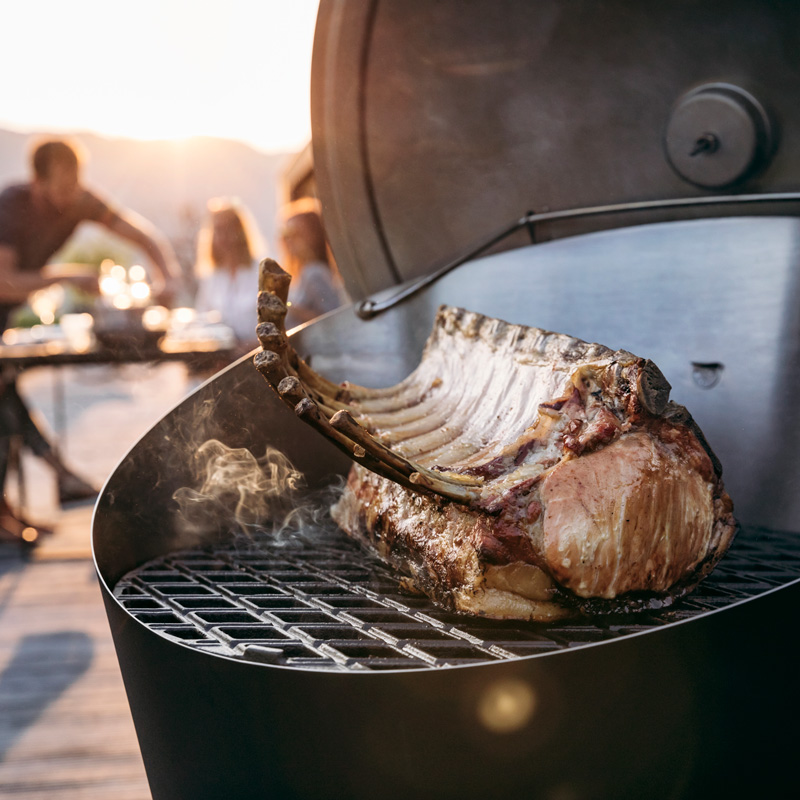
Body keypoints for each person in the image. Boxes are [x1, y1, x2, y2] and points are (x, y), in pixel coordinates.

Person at [0, 137, 184, 543]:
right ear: (37, 181)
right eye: (61, 188)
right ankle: (46, 485)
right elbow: (6, 282)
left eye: (75, 185)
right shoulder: (12, 207)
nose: (70, 197)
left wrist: (166, 272)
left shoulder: (80, 200)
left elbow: (141, 234)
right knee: (4, 408)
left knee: (7, 405)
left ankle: (34, 493)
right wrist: (69, 275)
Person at [193, 198, 265, 351]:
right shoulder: (211, 276)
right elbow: (202, 320)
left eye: (229, 229)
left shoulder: (260, 271)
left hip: (259, 355)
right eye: (218, 230)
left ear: (241, 231)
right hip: (222, 359)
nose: (224, 236)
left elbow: (280, 325)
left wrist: (249, 347)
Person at [279, 199, 348, 329]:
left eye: (293, 233)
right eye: (285, 234)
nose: (288, 240)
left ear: (313, 234)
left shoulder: (314, 272)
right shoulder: (304, 273)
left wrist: (290, 309)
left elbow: (334, 317)